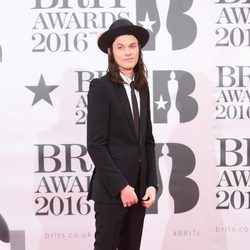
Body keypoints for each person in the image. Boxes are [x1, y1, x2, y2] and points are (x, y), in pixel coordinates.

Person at [87, 18, 158, 250]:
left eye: (132, 46)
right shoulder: (101, 87)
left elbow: (147, 142)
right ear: (111, 52)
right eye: (121, 47)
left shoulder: (143, 88)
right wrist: (122, 187)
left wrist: (151, 184)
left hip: (139, 191)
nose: (128, 52)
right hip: (112, 191)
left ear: (139, 49)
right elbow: (96, 145)